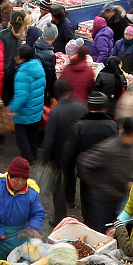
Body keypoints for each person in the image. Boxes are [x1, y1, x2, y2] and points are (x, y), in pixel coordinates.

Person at [74, 113, 133, 229]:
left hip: (121, 200)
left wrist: (132, 180)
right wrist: (98, 187)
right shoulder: (108, 148)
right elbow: (83, 163)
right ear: (128, 132)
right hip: (103, 203)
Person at [0, 157, 44, 259]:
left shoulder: (31, 193)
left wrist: (33, 227)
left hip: (18, 235)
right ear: (9, 176)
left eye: (23, 179)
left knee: (15, 264)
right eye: (16, 179)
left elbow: (37, 213)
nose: (20, 183)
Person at [40, 79, 86, 226]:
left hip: (59, 151)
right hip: (78, 150)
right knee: (70, 172)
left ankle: (59, 216)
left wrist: (46, 159)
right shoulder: (82, 107)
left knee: (57, 182)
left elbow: (50, 138)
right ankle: (71, 199)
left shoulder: (56, 112)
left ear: (57, 94)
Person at [9, 44, 47, 161]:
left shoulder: (22, 73)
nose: (16, 58)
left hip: (24, 111)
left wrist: (13, 108)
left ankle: (27, 159)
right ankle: (33, 155)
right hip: (36, 107)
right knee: (32, 134)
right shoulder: (39, 66)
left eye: (18, 56)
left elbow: (21, 95)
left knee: (21, 135)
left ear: (23, 58)